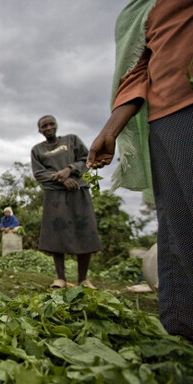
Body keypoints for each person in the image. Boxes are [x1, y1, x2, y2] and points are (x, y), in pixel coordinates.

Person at [87, 0, 193, 342]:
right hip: (167, 118)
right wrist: (110, 131)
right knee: (177, 227)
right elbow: (138, 69)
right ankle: (182, 331)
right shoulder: (144, 9)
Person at [31, 115, 102, 290]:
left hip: (78, 190)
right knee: (57, 234)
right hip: (55, 195)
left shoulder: (72, 140)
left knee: (84, 230)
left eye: (51, 124)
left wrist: (70, 170)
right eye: (44, 126)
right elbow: (39, 174)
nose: (48, 128)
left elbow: (86, 159)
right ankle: (60, 279)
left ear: (56, 126)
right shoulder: (37, 150)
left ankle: (83, 279)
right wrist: (62, 180)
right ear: (40, 130)